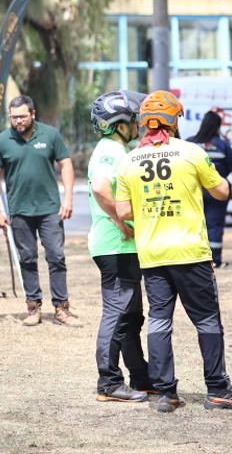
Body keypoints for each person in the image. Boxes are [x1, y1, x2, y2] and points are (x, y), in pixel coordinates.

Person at [116, 90, 232, 413]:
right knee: (207, 320)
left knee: (159, 321)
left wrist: (152, 209)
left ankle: (166, 393)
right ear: (173, 120)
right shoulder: (191, 152)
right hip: (190, 253)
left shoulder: (129, 161)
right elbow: (221, 191)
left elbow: (123, 211)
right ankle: (218, 390)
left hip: (152, 254)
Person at [0, 95, 80, 327]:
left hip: (50, 209)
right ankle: (33, 308)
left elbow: (66, 165)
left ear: (33, 114)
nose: (18, 121)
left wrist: (67, 198)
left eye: (22, 116)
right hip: (20, 210)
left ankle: (61, 309)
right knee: (27, 259)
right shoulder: (1, 141)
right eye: (14, 117)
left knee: (56, 258)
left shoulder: (50, 135)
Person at [88, 90, 153, 403]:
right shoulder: (110, 151)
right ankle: (109, 384)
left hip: (124, 248)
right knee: (116, 316)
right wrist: (119, 221)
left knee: (131, 317)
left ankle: (141, 378)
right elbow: (100, 187)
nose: (138, 124)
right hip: (116, 245)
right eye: (134, 119)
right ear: (119, 123)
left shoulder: (116, 149)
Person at [188, 111, 232, 268]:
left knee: (195, 225)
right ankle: (215, 260)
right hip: (217, 190)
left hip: (193, 190)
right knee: (215, 225)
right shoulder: (222, 145)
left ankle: (195, 260)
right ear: (218, 127)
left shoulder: (190, 144)